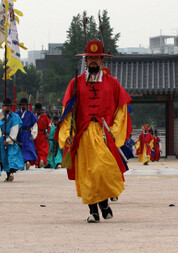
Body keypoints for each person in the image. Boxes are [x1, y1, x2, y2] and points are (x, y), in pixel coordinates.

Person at [56, 39, 132, 223]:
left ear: (102, 61)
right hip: (82, 134)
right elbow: (67, 112)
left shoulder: (112, 83)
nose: (93, 61)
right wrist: (66, 135)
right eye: (90, 58)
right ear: (86, 60)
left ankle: (104, 204)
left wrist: (114, 132)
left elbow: (122, 110)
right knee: (87, 173)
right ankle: (93, 211)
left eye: (96, 58)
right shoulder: (75, 83)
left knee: (103, 170)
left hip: (103, 134)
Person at [0, 98, 24, 181]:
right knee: (4, 158)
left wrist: (9, 140)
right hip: (2, 138)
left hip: (10, 139)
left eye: (8, 106)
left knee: (11, 155)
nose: (7, 108)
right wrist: (1, 111)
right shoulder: (1, 115)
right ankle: (8, 174)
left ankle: (11, 172)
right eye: (5, 106)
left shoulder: (15, 116)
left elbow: (15, 129)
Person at [17, 98, 38, 169]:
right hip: (19, 132)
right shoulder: (17, 114)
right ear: (20, 105)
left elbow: (35, 124)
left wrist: (33, 134)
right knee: (19, 147)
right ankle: (21, 163)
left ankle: (27, 161)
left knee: (27, 147)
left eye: (25, 105)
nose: (24, 106)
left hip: (26, 132)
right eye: (22, 105)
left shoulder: (30, 114)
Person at [33, 103, 50, 168]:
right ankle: (41, 160)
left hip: (38, 134)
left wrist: (47, 133)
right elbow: (49, 125)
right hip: (40, 134)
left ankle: (38, 162)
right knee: (42, 149)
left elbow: (49, 125)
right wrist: (48, 133)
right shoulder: (44, 117)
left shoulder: (35, 116)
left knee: (39, 148)